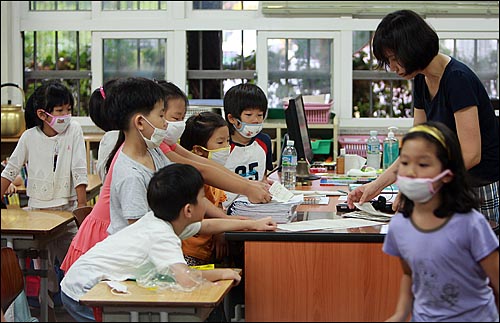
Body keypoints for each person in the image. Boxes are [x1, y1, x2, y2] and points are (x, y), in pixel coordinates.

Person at [60, 163, 277, 322]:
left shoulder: (165, 220)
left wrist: (252, 224)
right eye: (202, 198)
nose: (206, 203)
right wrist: (223, 273)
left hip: (91, 280)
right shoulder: (161, 235)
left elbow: (207, 226)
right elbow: (186, 279)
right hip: (83, 290)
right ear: (188, 210)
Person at [347, 10, 500, 223]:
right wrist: (374, 186)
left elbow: (471, 154)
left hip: (476, 190)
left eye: (393, 59)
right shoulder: (421, 80)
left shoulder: (457, 80)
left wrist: (421, 186)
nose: (392, 68)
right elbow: (415, 149)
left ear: (413, 49)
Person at [382, 121, 499, 322]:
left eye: (423, 164)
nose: (410, 172)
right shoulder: (399, 225)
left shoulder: (471, 224)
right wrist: (400, 314)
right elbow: (410, 274)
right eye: (405, 162)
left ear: (447, 173)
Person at [0, 80, 88, 304]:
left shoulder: (74, 130)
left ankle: (77, 305)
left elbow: (79, 170)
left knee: (78, 264)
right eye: (60, 111)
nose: (66, 115)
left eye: (68, 109)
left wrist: (82, 208)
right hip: (38, 213)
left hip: (66, 212)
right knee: (41, 269)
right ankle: (43, 304)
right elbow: (10, 171)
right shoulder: (29, 137)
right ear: (42, 114)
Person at [179, 111, 235, 266]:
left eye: (228, 141)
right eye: (220, 143)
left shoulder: (214, 173)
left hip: (208, 248)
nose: (226, 147)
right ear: (198, 150)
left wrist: (219, 232)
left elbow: (218, 203)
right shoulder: (192, 178)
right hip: (190, 252)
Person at [222, 83, 274, 207]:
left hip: (256, 206)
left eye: (260, 115)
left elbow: (264, 176)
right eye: (249, 115)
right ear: (232, 118)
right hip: (226, 208)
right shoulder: (222, 145)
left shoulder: (264, 141)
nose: (256, 120)